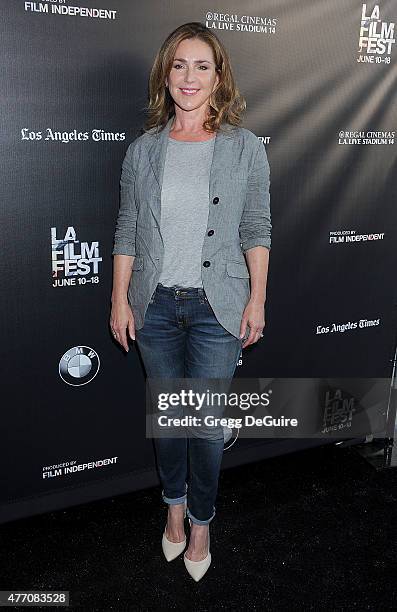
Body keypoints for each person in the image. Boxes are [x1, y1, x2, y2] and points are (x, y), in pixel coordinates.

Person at [110, 21, 271, 581]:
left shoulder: (245, 148)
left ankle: (201, 520)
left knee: (203, 426)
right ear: (166, 75)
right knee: (169, 422)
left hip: (216, 309)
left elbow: (256, 226)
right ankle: (172, 512)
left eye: (202, 65)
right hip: (153, 307)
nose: (190, 76)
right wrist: (119, 301)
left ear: (219, 75)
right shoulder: (143, 151)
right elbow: (127, 228)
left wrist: (257, 300)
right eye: (179, 65)